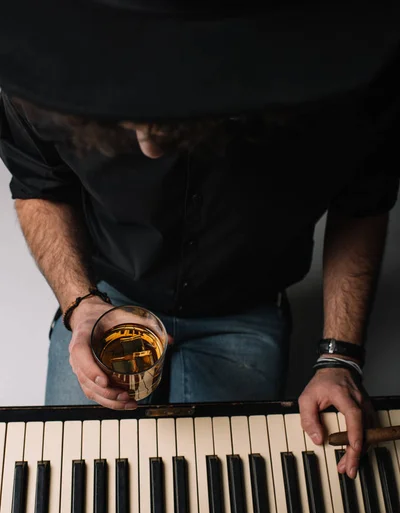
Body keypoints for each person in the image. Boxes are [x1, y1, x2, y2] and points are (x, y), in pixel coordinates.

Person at [0, 1, 400, 481]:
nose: (149, 146)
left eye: (173, 119)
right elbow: (39, 188)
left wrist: (339, 357)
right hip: (106, 301)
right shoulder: (36, 67)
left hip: (246, 312)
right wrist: (79, 303)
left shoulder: (348, 86)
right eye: (123, 119)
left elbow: (362, 204)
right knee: (74, 493)